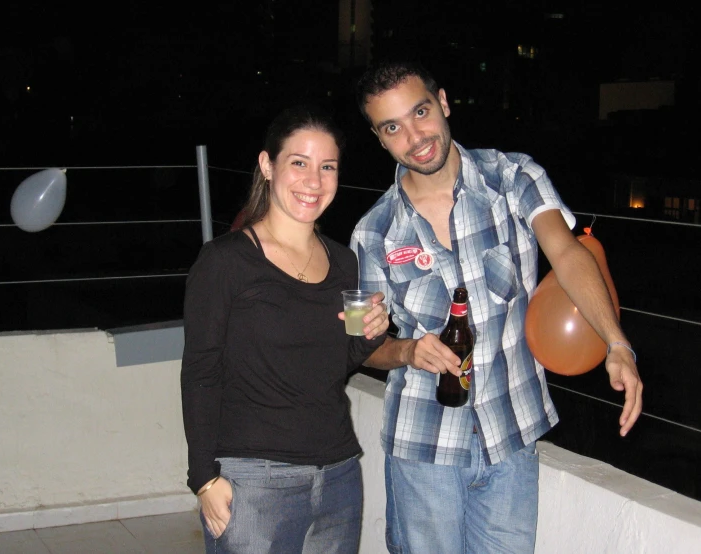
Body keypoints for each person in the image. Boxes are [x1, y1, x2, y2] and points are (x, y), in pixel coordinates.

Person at [350, 59, 643, 554]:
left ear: (443, 103)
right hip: (423, 447)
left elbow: (568, 253)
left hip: (511, 435)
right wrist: (405, 352)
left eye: (420, 111)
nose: (415, 135)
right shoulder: (371, 233)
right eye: (393, 127)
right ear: (380, 139)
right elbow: (360, 344)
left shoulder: (513, 177)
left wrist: (616, 342)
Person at [180, 104, 390, 554]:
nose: (314, 181)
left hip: (337, 476)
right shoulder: (226, 261)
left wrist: (371, 331)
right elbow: (200, 371)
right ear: (267, 165)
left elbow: (337, 362)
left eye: (327, 167)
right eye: (299, 163)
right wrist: (203, 479)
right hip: (253, 481)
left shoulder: (343, 261)